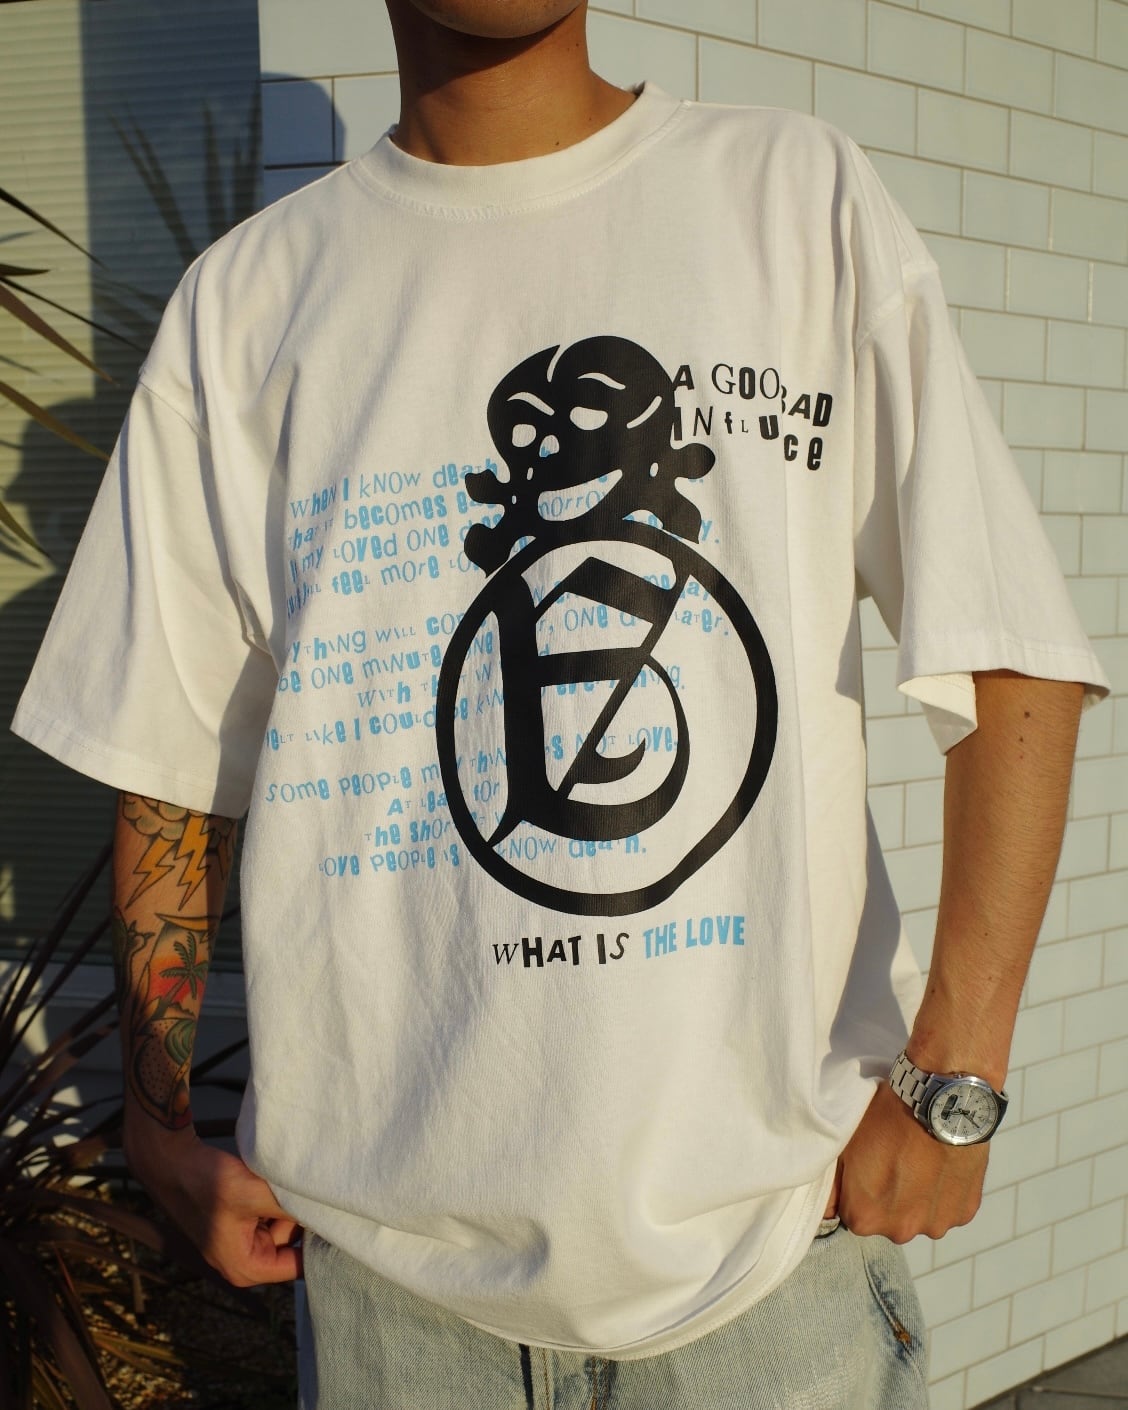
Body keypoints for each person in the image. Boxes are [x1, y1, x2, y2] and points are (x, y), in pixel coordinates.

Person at [13, 2, 1109, 1405]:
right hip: (395, 1303)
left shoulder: (791, 199)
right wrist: (161, 1125)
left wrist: (956, 1082)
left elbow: (1012, 655)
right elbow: (169, 753)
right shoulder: (246, 305)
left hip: (772, 1278)